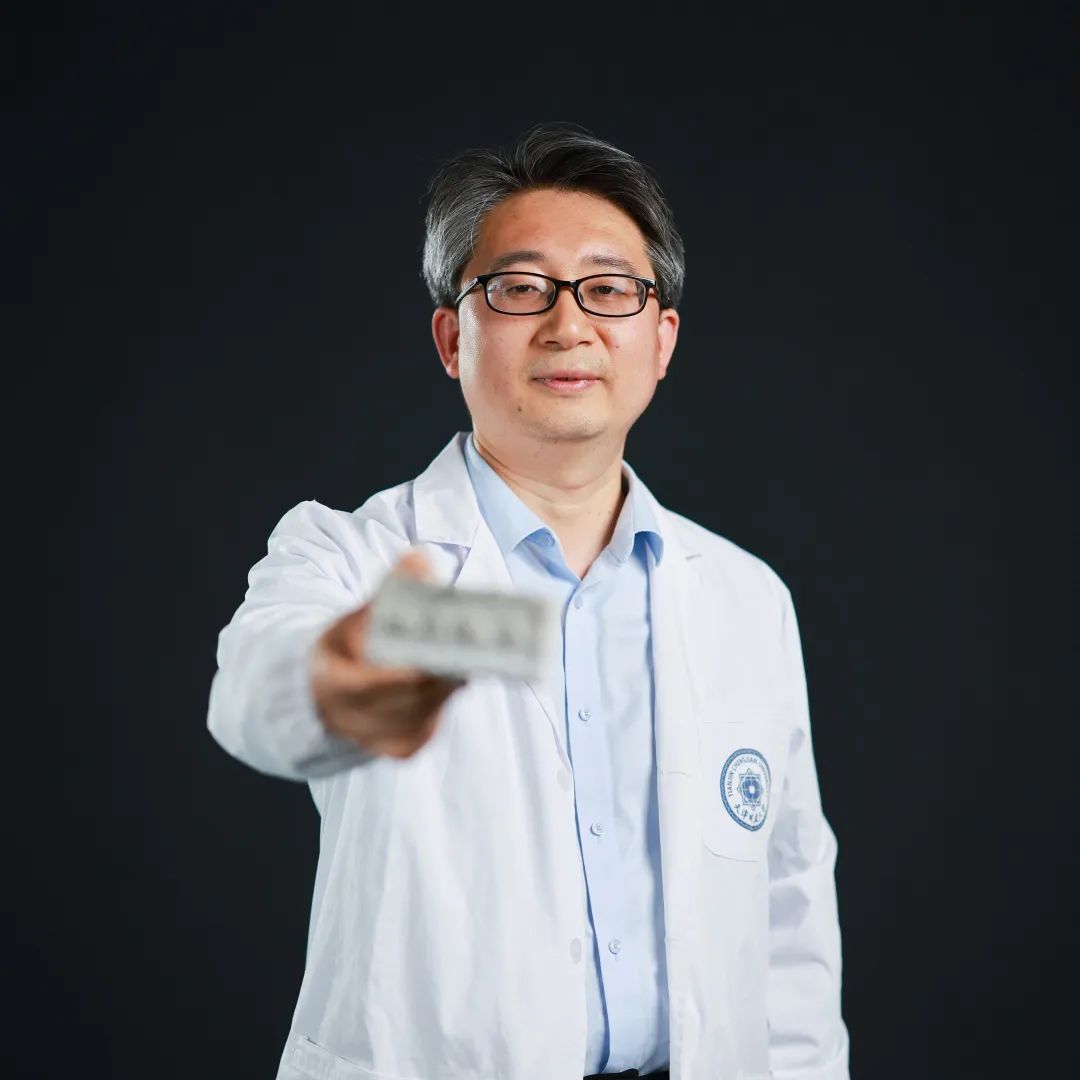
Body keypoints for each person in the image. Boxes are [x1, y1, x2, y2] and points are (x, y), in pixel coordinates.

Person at [207, 122, 850, 1080]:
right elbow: (252, 690)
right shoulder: (355, 557)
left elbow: (790, 911)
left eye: (610, 289)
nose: (568, 325)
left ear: (662, 339)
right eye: (519, 288)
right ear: (451, 337)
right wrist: (332, 685)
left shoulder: (742, 597)